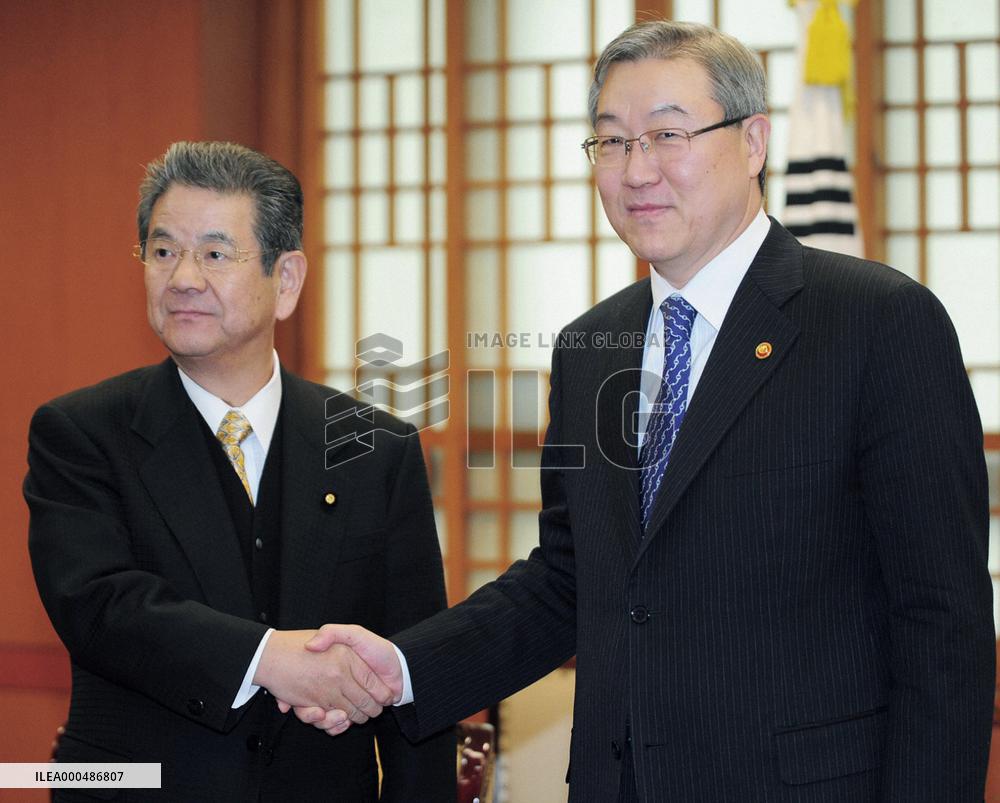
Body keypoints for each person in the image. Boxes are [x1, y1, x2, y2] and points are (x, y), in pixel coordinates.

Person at [295, 20, 995, 803]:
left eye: (667, 134)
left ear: (753, 140)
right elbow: (568, 579)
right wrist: (403, 665)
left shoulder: (877, 322)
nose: (637, 171)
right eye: (612, 142)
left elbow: (944, 623)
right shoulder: (590, 344)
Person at [24, 141, 455, 802]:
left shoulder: (376, 448)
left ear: (285, 281)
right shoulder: (81, 432)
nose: (183, 277)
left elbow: (414, 676)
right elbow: (101, 607)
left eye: (216, 254)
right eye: (163, 251)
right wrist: (267, 659)